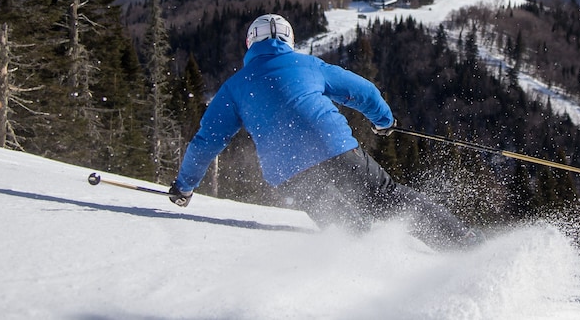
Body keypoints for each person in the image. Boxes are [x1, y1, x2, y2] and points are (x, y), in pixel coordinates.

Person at [169, 13, 480, 249]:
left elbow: (206, 142)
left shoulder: (234, 87)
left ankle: (377, 275)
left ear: (250, 43)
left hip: (289, 172)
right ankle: (463, 242)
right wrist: (383, 121)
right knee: (389, 200)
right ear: (289, 40)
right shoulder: (309, 66)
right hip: (334, 147)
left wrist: (184, 187)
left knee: (346, 230)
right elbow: (364, 92)